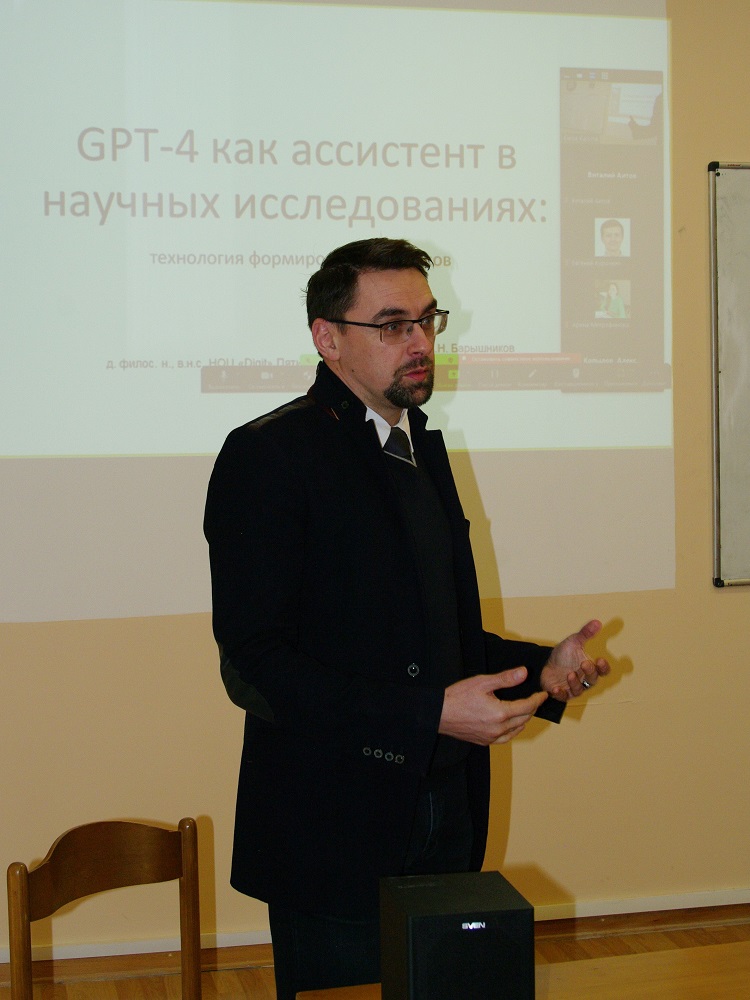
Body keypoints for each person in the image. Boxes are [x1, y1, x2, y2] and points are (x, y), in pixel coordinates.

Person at [204, 237, 610, 1000]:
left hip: (444, 807)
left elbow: (433, 637)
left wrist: (541, 668)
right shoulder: (271, 455)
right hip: (332, 826)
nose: (420, 342)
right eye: (393, 325)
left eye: (427, 320)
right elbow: (254, 664)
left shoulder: (417, 444)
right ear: (328, 339)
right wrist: (428, 715)